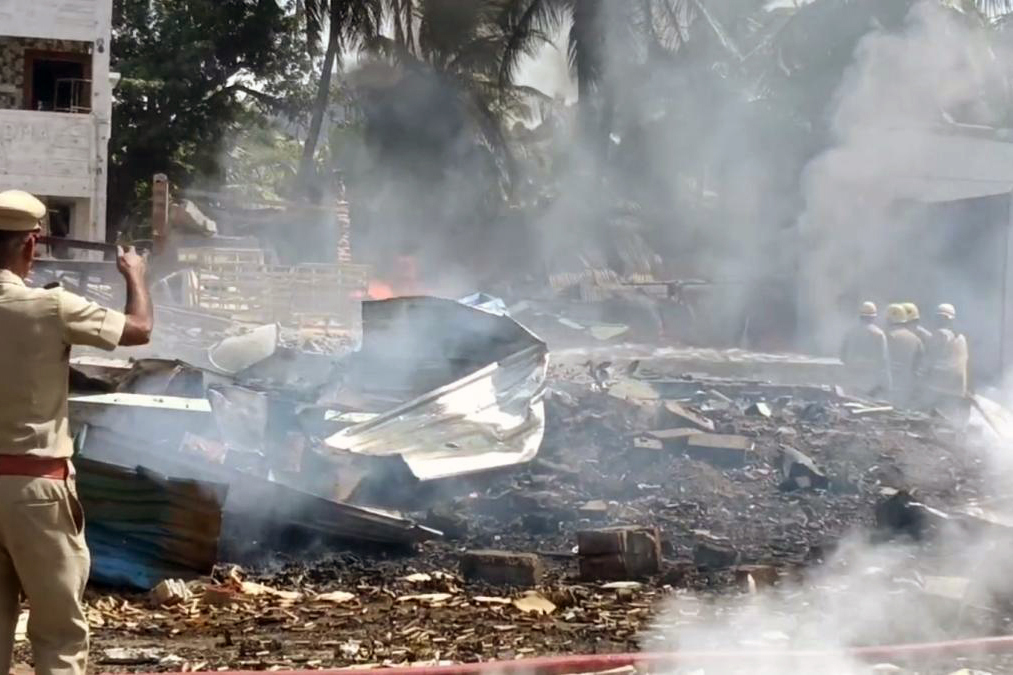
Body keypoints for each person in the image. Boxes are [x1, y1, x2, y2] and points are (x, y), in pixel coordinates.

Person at [0, 190, 152, 675]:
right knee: (59, 633)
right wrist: (136, 276)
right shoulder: (49, 308)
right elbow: (139, 329)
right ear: (31, 243)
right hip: (36, 490)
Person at [923, 303, 970, 422]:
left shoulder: (940, 334)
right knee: (950, 419)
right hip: (958, 388)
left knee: (933, 418)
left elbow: (930, 358)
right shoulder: (961, 337)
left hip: (939, 387)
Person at [840, 301, 891, 397]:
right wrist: (887, 384)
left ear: (860, 316)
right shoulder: (879, 334)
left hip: (852, 380)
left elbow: (842, 356)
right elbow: (883, 361)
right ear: (873, 317)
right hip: (871, 384)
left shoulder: (850, 333)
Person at [885, 303, 923, 406]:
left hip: (890, 384)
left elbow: (880, 360)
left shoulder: (887, 337)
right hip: (907, 385)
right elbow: (919, 365)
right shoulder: (916, 339)